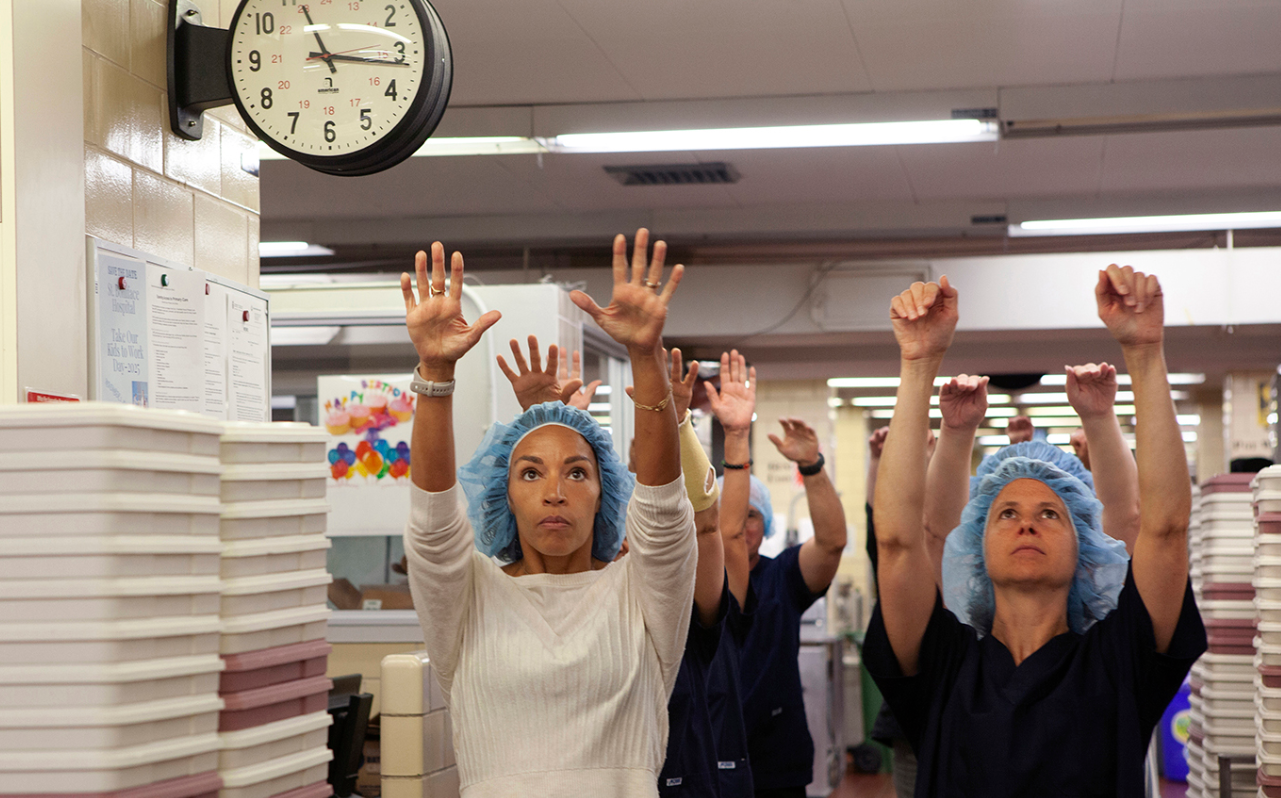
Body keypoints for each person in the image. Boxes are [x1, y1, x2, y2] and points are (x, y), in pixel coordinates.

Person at [865, 267, 1206, 796]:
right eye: (1006, 513)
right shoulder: (943, 666)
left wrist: (1143, 352)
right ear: (975, 545)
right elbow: (897, 542)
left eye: (1050, 514)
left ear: (1085, 547)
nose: (1026, 521)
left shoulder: (1120, 662)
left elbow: (1163, 529)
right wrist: (918, 364)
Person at [402, 230, 698, 796]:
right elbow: (432, 527)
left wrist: (645, 358)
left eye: (577, 473)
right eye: (531, 473)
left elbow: (664, 511)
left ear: (606, 492)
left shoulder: (639, 594)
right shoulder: (468, 598)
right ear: (504, 494)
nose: (555, 491)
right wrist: (435, 375)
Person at [725, 391, 848, 798]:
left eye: (751, 515)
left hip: (776, 762)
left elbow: (831, 542)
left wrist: (811, 467)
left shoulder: (782, 577)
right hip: (709, 755)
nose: (740, 525)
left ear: (765, 525)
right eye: (729, 512)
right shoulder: (692, 587)